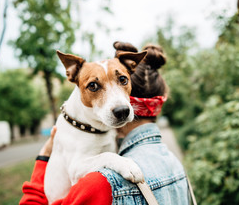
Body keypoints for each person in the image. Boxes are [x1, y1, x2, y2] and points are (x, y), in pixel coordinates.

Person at [20, 42, 189, 205]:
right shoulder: (176, 164)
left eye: (122, 81)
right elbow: (77, 171)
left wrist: (42, 161)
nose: (118, 103)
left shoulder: (101, 182)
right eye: (94, 86)